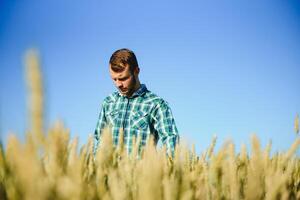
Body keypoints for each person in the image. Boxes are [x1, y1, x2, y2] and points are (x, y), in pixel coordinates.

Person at [94, 48, 179, 156]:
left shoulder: (156, 104)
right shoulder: (108, 103)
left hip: (139, 172)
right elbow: (99, 140)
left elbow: (171, 140)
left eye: (123, 78)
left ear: (136, 71)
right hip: (109, 172)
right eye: (114, 79)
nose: (118, 84)